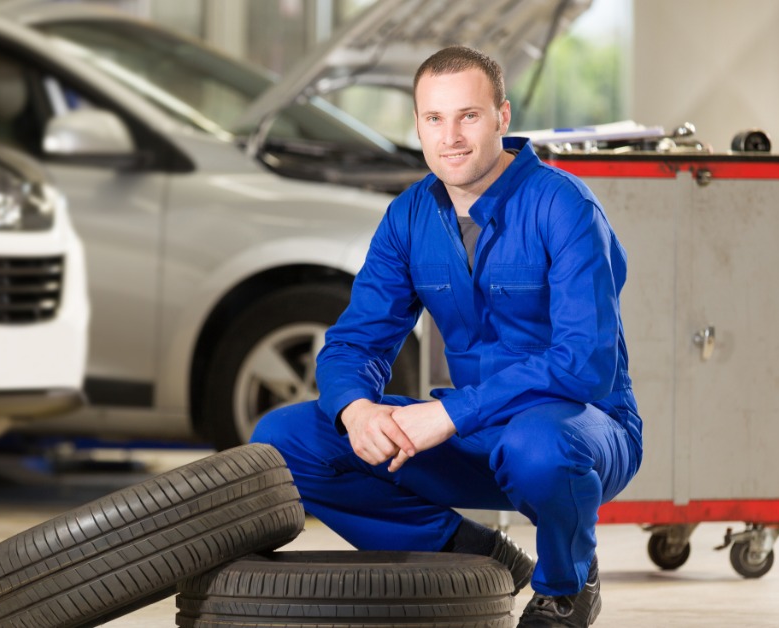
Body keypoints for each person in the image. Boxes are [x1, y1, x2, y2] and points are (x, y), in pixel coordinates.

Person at [251, 45, 643, 628]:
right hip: (476, 434)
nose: (451, 136)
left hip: (583, 429)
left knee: (538, 447)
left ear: (503, 118)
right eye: (434, 118)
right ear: (417, 124)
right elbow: (354, 343)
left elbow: (584, 364)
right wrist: (359, 412)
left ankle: (566, 584)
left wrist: (449, 415)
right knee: (287, 438)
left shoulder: (564, 206)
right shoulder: (409, 216)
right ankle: (473, 555)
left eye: (469, 116)